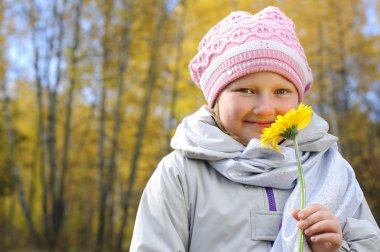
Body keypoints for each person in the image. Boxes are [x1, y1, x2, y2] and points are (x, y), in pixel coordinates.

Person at [130, 6, 380, 252]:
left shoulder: (331, 171)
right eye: (246, 90)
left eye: (281, 91)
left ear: (299, 98)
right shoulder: (181, 174)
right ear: (216, 99)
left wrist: (335, 249)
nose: (265, 108)